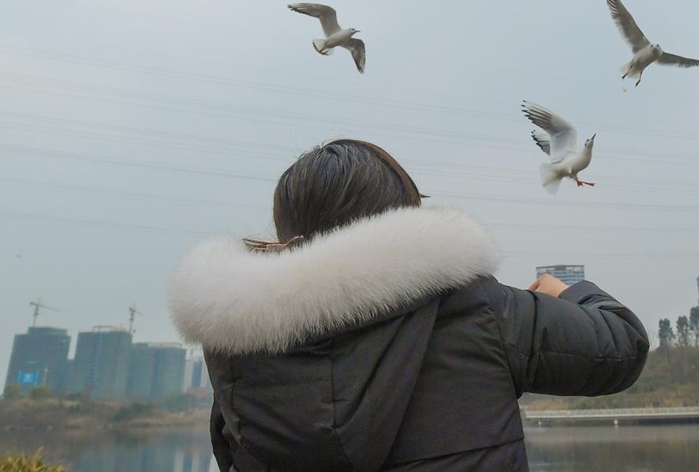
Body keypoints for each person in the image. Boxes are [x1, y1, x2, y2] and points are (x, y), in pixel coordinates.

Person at [169, 139, 649, 472]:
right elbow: (622, 347)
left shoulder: (242, 353)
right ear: (401, 216)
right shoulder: (475, 309)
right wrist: (566, 291)